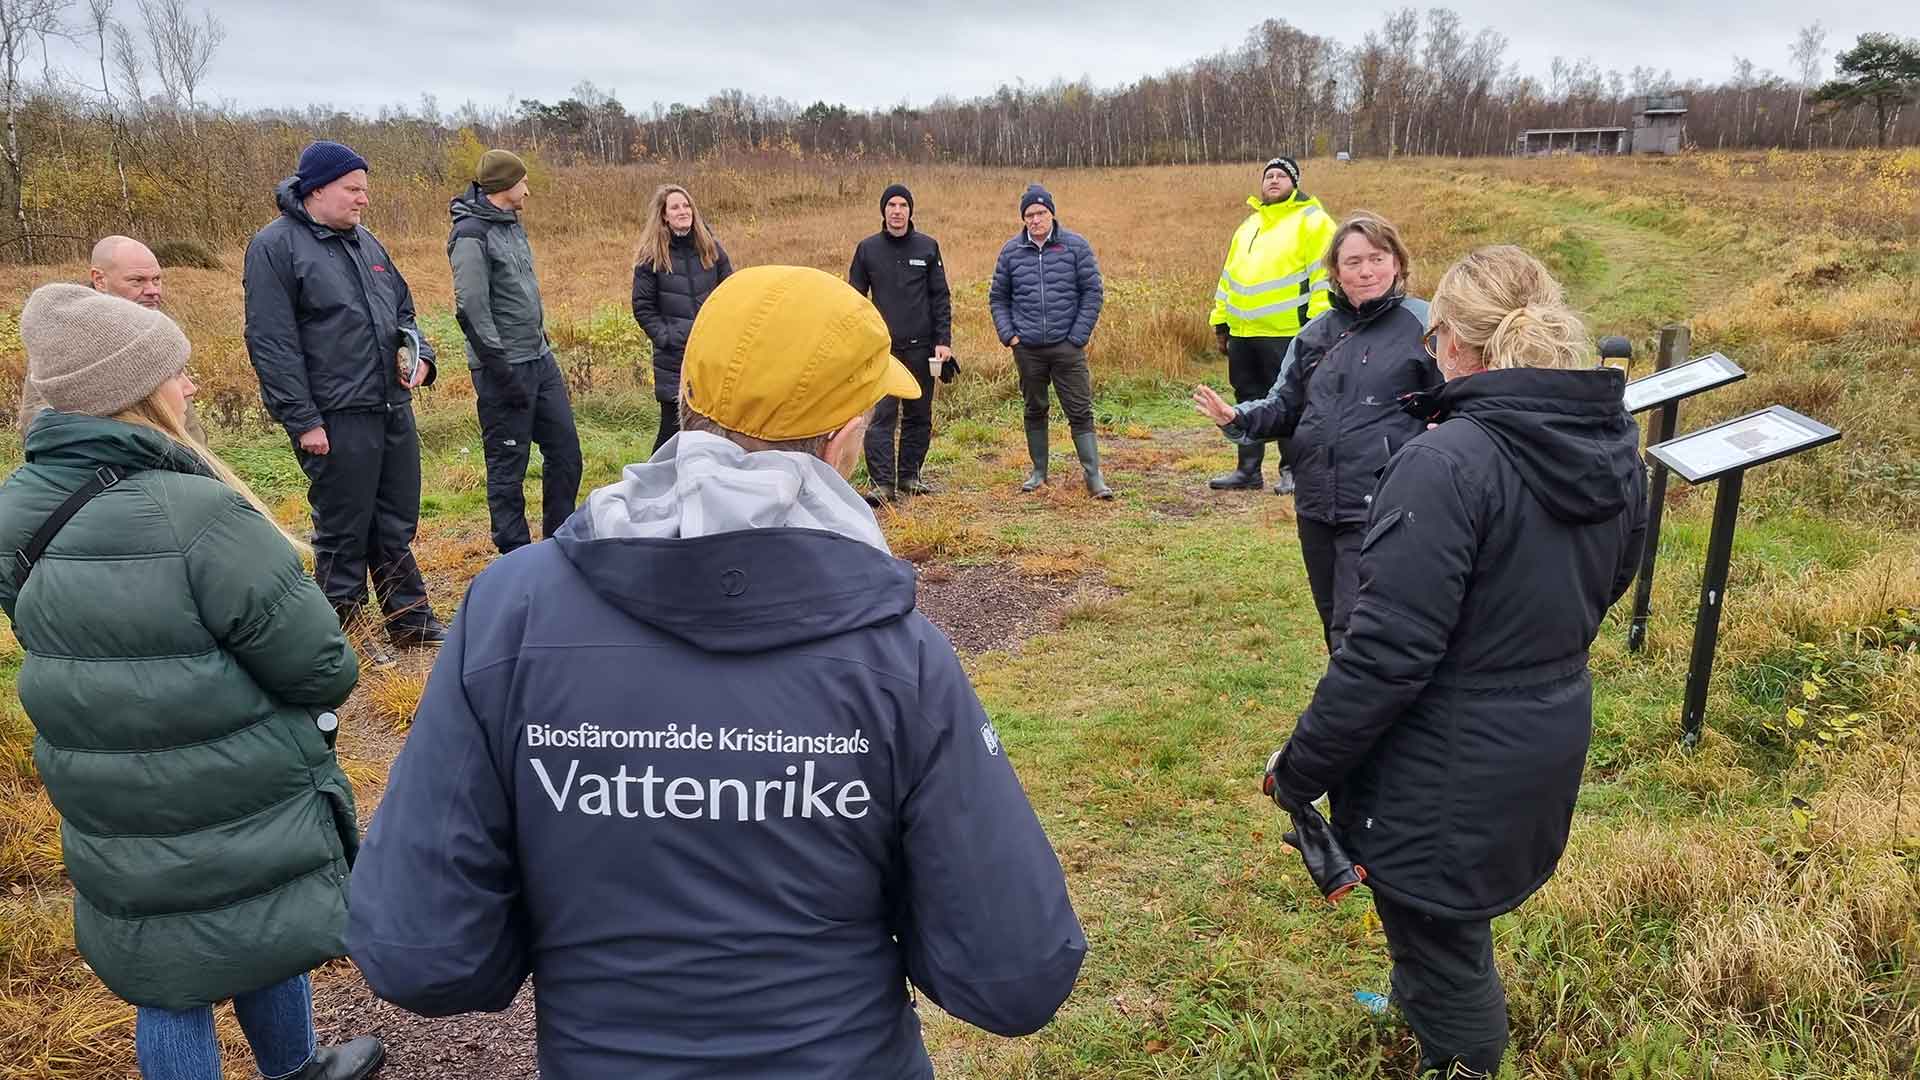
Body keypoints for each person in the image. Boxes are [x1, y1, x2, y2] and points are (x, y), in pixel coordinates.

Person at [347, 266, 1086, 1078]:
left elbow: (422, 951)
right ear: (844, 434)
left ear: (689, 398)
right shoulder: (901, 658)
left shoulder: (510, 613)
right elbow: (1016, 973)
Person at [1262, 245, 1647, 1078]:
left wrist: (1300, 768)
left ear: (1452, 343)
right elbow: (1614, 578)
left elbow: (1383, 657)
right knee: (1443, 919)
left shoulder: (1445, 461)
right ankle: (1418, 1003)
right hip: (1544, 725)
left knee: (1442, 934)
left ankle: (1462, 1056)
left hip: (1445, 756)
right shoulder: (1613, 442)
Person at [0, 285, 381, 1080]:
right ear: (130, 393)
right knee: (262, 919)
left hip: (109, 796)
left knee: (168, 979)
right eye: (175, 371)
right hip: (232, 785)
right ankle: (296, 1067)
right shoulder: (201, 512)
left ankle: (301, 1064)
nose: (193, 385)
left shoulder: (17, 507)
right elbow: (322, 665)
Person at [1193, 213, 1436, 651]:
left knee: (1358, 629)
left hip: (1385, 505)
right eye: (1353, 262)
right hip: (1318, 506)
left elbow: (1457, 403)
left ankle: (1358, 718)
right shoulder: (1315, 335)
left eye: (1377, 259)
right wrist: (1237, 418)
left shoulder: (1427, 326)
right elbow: (1285, 407)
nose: (1366, 271)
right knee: (1333, 623)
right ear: (1336, 273)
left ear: (1397, 262)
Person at [244, 140, 447, 649]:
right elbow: (271, 341)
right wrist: (302, 419)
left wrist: (422, 357)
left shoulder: (367, 242)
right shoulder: (275, 246)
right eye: (353, 189)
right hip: (334, 415)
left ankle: (409, 619)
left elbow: (404, 313)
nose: (363, 200)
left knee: (396, 518)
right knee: (343, 527)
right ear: (317, 189)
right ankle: (339, 632)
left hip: (389, 405)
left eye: (365, 190)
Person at [449, 148, 583, 554]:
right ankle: (517, 557)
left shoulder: (511, 224)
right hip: (502, 369)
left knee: (566, 452)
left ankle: (559, 544)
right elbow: (471, 307)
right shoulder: (471, 234)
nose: (528, 189)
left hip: (539, 358)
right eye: (523, 181)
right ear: (506, 185)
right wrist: (501, 370)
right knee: (508, 468)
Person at [1205, 156, 1337, 494]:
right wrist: (1221, 321)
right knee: (1246, 397)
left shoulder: (1313, 221)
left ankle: (1292, 470)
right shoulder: (1248, 226)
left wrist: (1318, 326)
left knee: (1290, 400)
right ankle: (1247, 471)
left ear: (1295, 182)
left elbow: (1323, 276)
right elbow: (1229, 278)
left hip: (1288, 333)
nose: (1274, 180)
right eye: (1269, 176)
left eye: (1282, 175)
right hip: (1244, 332)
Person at [990, 183, 1111, 499]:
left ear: (1052, 214)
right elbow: (998, 298)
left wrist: (1077, 337)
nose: (1035, 219)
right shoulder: (1011, 251)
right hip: (1027, 348)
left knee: (1080, 410)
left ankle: (1094, 476)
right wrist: (1011, 337)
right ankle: (1038, 472)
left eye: (1041, 213)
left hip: (1066, 346)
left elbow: (1092, 293)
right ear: (1023, 219)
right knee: (1034, 408)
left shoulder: (1075, 247)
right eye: (1029, 214)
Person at [19, 236, 204, 441]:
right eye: (137, 280)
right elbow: (37, 421)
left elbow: (186, 422)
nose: (153, 290)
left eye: (157, 279)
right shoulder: (68, 339)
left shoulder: (155, 330)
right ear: (99, 279)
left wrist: (199, 460)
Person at [849, 182, 952, 503]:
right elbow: (854, 301)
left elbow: (941, 298)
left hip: (922, 348)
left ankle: (910, 476)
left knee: (919, 414)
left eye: (902, 206)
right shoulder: (868, 250)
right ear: (883, 211)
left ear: (910, 211)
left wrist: (943, 341)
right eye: (891, 205)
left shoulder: (928, 247)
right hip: (883, 351)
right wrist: (860, 343)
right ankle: (882, 484)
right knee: (881, 417)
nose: (897, 211)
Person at [630, 183, 733, 453]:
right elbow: (642, 307)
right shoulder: (651, 257)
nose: (683, 211)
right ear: (664, 215)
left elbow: (731, 291)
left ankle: (700, 483)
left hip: (711, 354)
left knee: (715, 428)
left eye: (686, 205)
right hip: (674, 357)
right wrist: (668, 337)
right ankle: (650, 486)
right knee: (672, 431)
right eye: (675, 207)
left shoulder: (711, 248)